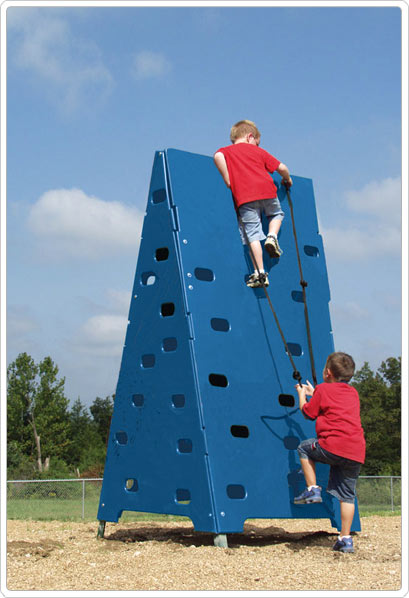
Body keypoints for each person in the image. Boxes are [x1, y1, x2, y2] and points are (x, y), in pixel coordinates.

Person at [294, 352, 366, 553]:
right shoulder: (353, 393)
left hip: (332, 446)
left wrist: (302, 395)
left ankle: (312, 489)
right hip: (355, 451)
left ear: (327, 372)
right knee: (347, 496)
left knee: (304, 447)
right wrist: (315, 392)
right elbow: (334, 401)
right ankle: (345, 538)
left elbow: (308, 412)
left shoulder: (323, 390)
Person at [214, 120, 292, 288]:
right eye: (258, 141)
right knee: (277, 214)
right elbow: (283, 167)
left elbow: (217, 156)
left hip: (245, 198)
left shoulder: (225, 151)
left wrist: (228, 179)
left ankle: (260, 273)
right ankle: (272, 236)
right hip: (267, 192)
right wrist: (287, 179)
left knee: (253, 235)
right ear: (250, 137)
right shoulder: (259, 152)